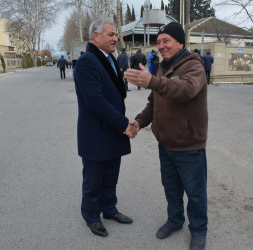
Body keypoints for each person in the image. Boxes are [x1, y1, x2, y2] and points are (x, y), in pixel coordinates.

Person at [124, 22, 208, 250]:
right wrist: (139, 122)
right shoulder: (163, 68)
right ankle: (175, 221)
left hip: (189, 145)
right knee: (171, 188)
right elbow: (154, 103)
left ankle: (199, 231)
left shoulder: (194, 65)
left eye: (166, 41)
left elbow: (185, 90)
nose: (161, 46)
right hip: (167, 144)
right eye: (159, 42)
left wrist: (152, 80)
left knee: (195, 193)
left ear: (180, 42)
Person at [73, 18, 137, 238]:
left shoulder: (107, 58)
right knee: (94, 179)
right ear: (96, 36)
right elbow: (95, 101)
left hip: (111, 129)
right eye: (110, 34)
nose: (115, 38)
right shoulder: (87, 62)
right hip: (96, 132)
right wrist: (124, 124)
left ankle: (109, 209)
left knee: (111, 175)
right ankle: (91, 216)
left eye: (116, 34)